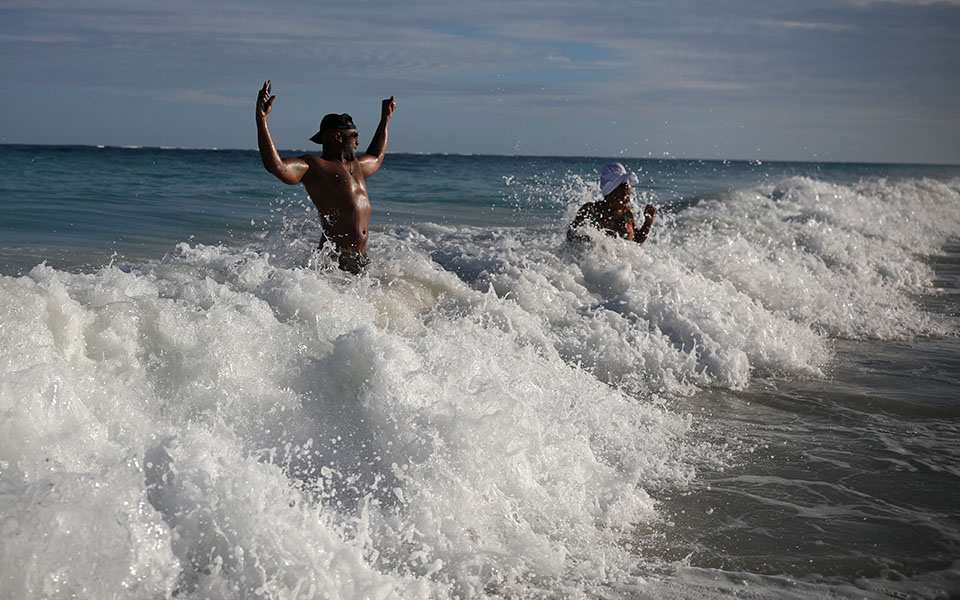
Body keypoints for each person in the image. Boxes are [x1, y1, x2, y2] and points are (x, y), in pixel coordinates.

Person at [256, 80, 396, 273]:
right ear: (338, 137)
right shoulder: (315, 166)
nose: (358, 142)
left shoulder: (357, 166)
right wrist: (261, 119)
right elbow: (276, 166)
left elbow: (376, 156)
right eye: (354, 136)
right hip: (336, 260)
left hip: (360, 257)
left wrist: (385, 119)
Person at [567, 162, 656, 245]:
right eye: (624, 195)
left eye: (629, 195)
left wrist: (648, 222)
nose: (628, 199)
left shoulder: (628, 214)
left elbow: (636, 242)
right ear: (610, 193)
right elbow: (570, 235)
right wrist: (590, 242)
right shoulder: (591, 210)